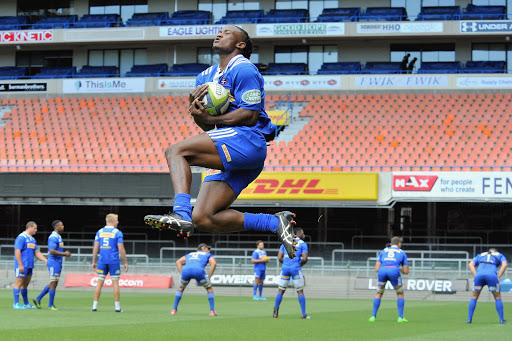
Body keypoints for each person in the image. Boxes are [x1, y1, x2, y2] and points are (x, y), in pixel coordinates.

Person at [143, 25, 297, 258]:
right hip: (232, 148)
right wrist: (198, 115)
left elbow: (250, 115)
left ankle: (180, 213)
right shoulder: (204, 77)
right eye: (219, 32)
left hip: (247, 140)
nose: (219, 34)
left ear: (240, 44)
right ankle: (273, 223)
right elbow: (209, 127)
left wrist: (207, 117)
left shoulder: (244, 70)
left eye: (226, 33)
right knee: (204, 217)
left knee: (176, 151)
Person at [91, 213, 129, 312]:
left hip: (102, 260)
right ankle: (117, 307)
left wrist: (94, 261)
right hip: (113, 261)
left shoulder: (100, 232)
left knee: (99, 282)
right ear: (113, 221)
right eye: (117, 220)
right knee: (115, 283)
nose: (118, 222)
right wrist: (125, 262)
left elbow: (96, 248)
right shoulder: (118, 233)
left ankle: (94, 306)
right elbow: (121, 249)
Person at [369, 236, 409, 323]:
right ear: (399, 244)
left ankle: (373, 316)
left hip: (382, 270)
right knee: (400, 293)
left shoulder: (384, 251)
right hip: (394, 270)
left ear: (391, 244)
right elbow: (406, 271)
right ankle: (400, 317)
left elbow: (376, 269)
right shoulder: (402, 252)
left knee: (379, 293)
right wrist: (399, 269)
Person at [33, 220, 72, 310]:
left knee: (53, 283)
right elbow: (51, 251)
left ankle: (38, 299)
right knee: (53, 283)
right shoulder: (53, 237)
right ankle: (51, 305)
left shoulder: (58, 236)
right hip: (54, 263)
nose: (63, 226)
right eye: (61, 225)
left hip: (57, 263)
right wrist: (64, 254)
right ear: (56, 226)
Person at [273, 227, 310, 319]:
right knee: (300, 291)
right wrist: (298, 265)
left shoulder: (285, 242)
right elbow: (305, 258)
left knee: (281, 290)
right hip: (295, 269)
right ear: (298, 234)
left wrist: (286, 264)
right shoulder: (302, 244)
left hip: (285, 269)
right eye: (302, 233)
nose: (304, 234)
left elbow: (279, 257)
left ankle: (275, 312)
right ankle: (303, 314)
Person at [171, 243, 217, 316]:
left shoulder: (190, 254)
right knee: (209, 288)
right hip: (198, 271)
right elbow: (214, 264)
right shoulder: (208, 255)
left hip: (186, 271)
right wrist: (209, 277)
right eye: (208, 249)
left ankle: (174, 310)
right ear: (203, 248)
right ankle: (212, 311)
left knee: (181, 288)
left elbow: (178, 262)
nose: (209, 251)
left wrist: (182, 274)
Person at [466, 248, 508, 324]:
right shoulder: (500, 255)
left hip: (479, 276)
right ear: (496, 251)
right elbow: (505, 264)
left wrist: (476, 275)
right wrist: (498, 276)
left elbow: (470, 264)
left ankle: (469, 319)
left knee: (474, 297)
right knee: (497, 297)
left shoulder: (481, 254)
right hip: (492, 276)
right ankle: (501, 320)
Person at [13, 221, 47, 309]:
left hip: (30, 265)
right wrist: (20, 264)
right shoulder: (21, 237)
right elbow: (17, 251)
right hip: (22, 265)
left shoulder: (32, 239)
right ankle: (16, 304)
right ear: (29, 227)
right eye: (35, 228)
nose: (36, 230)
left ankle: (26, 304)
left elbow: (37, 252)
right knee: (18, 283)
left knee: (25, 284)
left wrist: (45, 260)